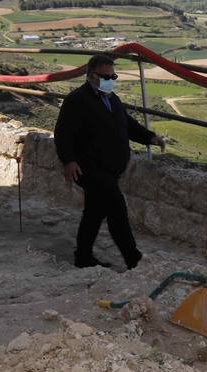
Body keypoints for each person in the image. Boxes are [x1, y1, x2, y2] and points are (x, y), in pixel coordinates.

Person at [54, 54, 163, 269]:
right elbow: (63, 133)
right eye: (105, 76)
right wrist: (69, 161)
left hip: (110, 168)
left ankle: (83, 257)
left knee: (94, 212)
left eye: (113, 76)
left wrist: (149, 137)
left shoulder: (111, 98)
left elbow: (127, 124)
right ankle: (133, 258)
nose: (109, 80)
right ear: (91, 76)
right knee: (117, 210)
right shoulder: (77, 100)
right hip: (90, 168)